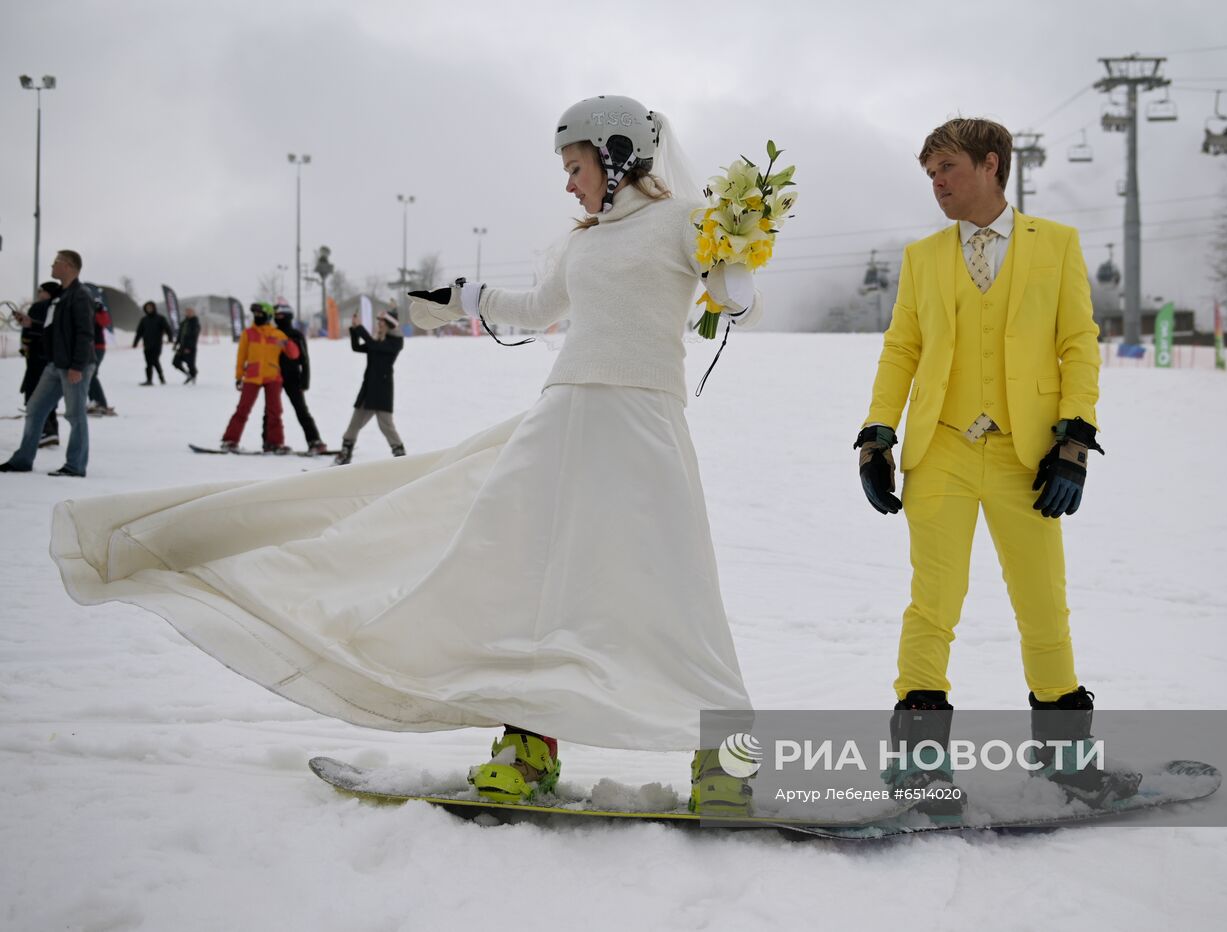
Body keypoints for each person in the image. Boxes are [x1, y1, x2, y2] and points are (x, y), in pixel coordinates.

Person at [51, 96, 759, 814]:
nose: (568, 184)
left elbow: (734, 300)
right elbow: (536, 309)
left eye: (576, 167)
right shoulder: (585, 244)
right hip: (563, 423)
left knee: (676, 588)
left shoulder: (684, 222)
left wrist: (734, 266)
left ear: (616, 155)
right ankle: (527, 748)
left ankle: (729, 762)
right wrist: (461, 299)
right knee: (526, 583)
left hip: (643, 423)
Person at [856, 117, 1137, 809]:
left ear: (990, 165)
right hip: (942, 449)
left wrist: (1074, 440)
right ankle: (917, 767)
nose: (937, 184)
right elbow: (902, 349)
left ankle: (1066, 764)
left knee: (1043, 605)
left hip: (1028, 455)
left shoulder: (1056, 244)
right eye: (930, 174)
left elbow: (1078, 343)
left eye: (947, 169)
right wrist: (877, 435)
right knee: (933, 604)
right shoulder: (923, 257)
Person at [2, 250, 95, 477]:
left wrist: (76, 366)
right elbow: (54, 326)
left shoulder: (81, 295)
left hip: (74, 366)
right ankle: (23, 460)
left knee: (75, 415)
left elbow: (85, 333)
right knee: (35, 409)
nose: (52, 266)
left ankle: (75, 466)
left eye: (56, 262)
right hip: (55, 364)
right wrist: (30, 322)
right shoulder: (61, 295)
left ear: (69, 266)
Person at [218, 302, 300, 453]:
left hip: (273, 377)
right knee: (242, 409)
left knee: (274, 412)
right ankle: (230, 441)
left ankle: (275, 443)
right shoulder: (248, 333)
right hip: (252, 377)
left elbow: (294, 355)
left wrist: (287, 343)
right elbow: (241, 357)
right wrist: (239, 376)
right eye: (255, 314)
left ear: (268, 316)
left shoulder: (278, 335)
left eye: (260, 314)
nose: (257, 317)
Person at [332, 307, 403, 465]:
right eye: (379, 321)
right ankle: (345, 453)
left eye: (382, 321)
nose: (379, 324)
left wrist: (359, 327)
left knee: (386, 426)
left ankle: (400, 455)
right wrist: (354, 329)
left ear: (389, 324)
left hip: (382, 391)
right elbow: (357, 347)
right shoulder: (376, 340)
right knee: (354, 424)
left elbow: (374, 346)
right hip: (368, 390)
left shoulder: (395, 342)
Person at [269, 305, 325, 454]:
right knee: (271, 410)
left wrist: (305, 380)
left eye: (281, 316)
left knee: (301, 410)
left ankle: (315, 441)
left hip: (293, 378)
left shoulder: (296, 334)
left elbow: (305, 359)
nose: (278, 318)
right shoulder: (272, 334)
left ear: (288, 317)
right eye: (276, 316)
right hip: (273, 377)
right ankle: (270, 441)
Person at [14, 282, 63, 447]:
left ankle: (44, 431)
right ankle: (52, 431)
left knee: (34, 395)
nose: (39, 294)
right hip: (53, 358)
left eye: (41, 291)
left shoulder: (38, 307)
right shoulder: (60, 307)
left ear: (48, 292)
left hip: (37, 358)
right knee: (50, 397)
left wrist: (26, 344)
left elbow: (29, 332)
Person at [86, 291, 116, 416]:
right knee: (88, 375)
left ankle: (99, 402)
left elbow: (105, 322)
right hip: (87, 347)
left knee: (91, 375)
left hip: (97, 347)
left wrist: (100, 310)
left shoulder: (98, 313)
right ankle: (95, 401)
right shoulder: (84, 311)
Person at [133, 301, 174, 385]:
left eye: (150, 307)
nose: (149, 309)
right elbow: (139, 332)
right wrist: (135, 342)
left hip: (157, 344)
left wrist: (170, 338)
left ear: (154, 308)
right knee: (148, 363)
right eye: (147, 308)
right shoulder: (144, 320)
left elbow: (167, 329)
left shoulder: (160, 318)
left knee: (155, 361)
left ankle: (161, 378)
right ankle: (149, 380)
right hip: (147, 344)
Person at [171, 306, 200, 385]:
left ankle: (193, 376)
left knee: (190, 364)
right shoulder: (183, 323)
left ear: (194, 313)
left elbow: (194, 336)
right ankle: (188, 375)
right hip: (181, 347)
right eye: (187, 312)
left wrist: (189, 347)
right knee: (175, 362)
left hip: (190, 347)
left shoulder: (195, 323)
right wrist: (175, 344)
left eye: (190, 312)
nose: (188, 313)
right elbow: (179, 335)